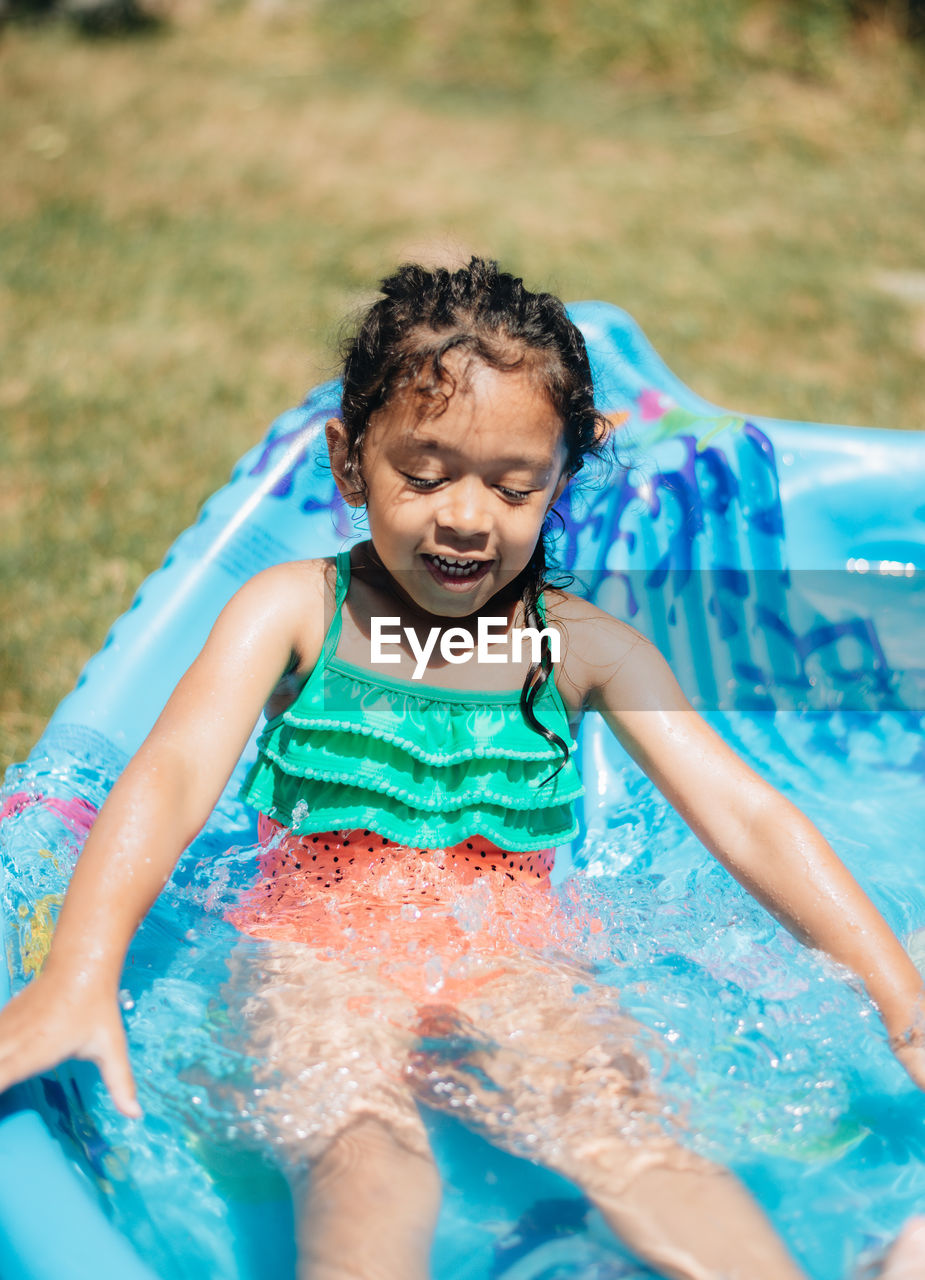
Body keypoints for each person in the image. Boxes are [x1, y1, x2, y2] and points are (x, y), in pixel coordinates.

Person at [0, 257, 923, 1280]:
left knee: (625, 1133)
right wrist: (79, 974)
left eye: (513, 482)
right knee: (361, 1150)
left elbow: (748, 817)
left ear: (565, 474)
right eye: (425, 474)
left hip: (512, 958)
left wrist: (899, 994)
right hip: (318, 954)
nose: (466, 516)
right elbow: (170, 775)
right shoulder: (294, 609)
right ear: (349, 463)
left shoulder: (585, 649)